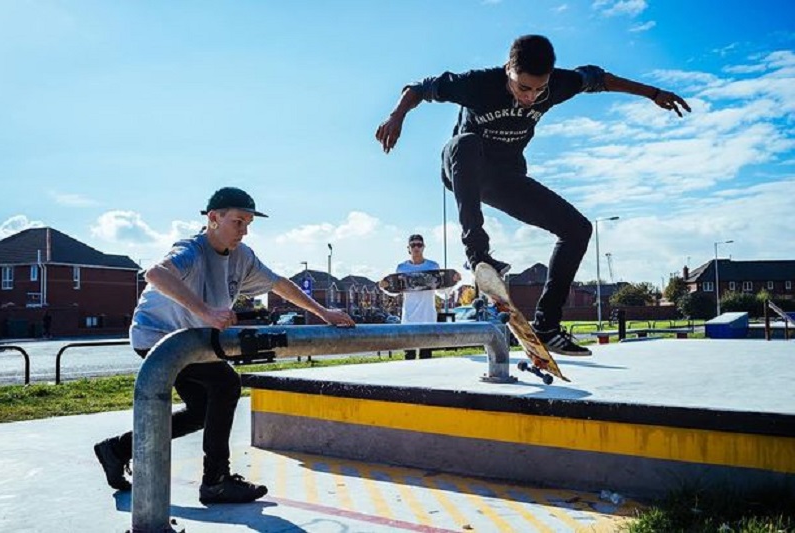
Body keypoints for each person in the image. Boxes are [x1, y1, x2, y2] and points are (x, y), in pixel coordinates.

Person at [375, 34, 690, 356]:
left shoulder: (560, 84)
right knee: (465, 143)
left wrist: (653, 93)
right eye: (523, 88)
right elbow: (417, 89)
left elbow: (601, 80)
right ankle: (479, 256)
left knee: (578, 229)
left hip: (505, 179)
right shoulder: (478, 83)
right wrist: (397, 116)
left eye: (539, 90)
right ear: (508, 69)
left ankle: (547, 326)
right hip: (462, 169)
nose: (530, 97)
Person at [93, 186, 355, 504]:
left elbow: (279, 284)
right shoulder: (192, 249)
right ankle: (216, 480)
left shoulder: (242, 256)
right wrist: (206, 311)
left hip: (192, 339)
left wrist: (323, 312)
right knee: (226, 384)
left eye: (248, 224)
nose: (243, 232)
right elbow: (156, 273)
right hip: (158, 337)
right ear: (214, 218)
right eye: (237, 222)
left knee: (203, 411)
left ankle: (117, 449)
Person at [390, 234, 445, 359]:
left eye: (419, 245)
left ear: (424, 247)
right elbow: (395, 290)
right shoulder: (402, 268)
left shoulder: (433, 266)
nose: (416, 248)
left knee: (426, 355)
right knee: (409, 356)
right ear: (408, 248)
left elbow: (441, 291)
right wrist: (384, 286)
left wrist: (453, 282)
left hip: (428, 316)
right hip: (409, 317)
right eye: (413, 245)